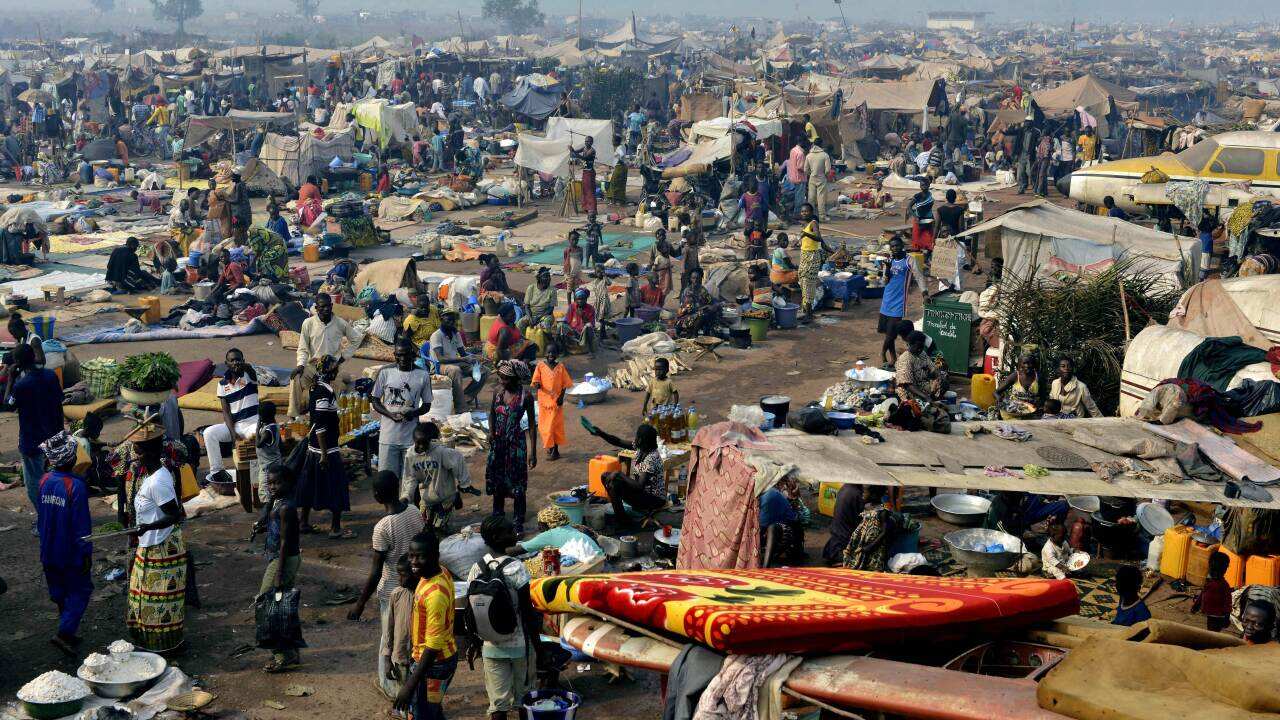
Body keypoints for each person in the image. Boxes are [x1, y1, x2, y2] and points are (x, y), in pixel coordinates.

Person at [349, 469, 426, 695]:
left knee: (389, 639)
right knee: (411, 635)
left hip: (392, 591)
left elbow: (375, 572)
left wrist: (360, 604)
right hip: (416, 586)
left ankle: (390, 687)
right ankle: (413, 682)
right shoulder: (414, 511)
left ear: (376, 496)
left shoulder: (382, 527)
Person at [465, 515, 540, 720]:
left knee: (498, 705)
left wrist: (473, 643)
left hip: (490, 646)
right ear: (498, 537)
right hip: (520, 646)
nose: (514, 533)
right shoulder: (516, 568)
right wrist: (539, 648)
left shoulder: (477, 568)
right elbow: (528, 613)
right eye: (510, 531)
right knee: (525, 700)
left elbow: (471, 611)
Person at [126, 425, 187, 652]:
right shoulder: (152, 475)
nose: (135, 456)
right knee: (143, 599)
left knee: (158, 602)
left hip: (162, 546)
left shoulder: (158, 481)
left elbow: (174, 515)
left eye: (139, 451)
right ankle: (150, 646)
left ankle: (163, 649)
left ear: (151, 452)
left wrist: (147, 527)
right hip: (150, 544)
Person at [35, 432, 93, 656]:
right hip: (70, 553)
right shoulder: (75, 486)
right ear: (72, 458)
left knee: (59, 592)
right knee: (80, 591)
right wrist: (85, 554)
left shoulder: (44, 480)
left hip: (48, 549)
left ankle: (66, 626)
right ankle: (64, 634)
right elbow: (81, 527)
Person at [394, 531, 459, 720]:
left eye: (420, 557)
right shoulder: (439, 571)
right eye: (411, 555)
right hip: (437, 660)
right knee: (432, 712)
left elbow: (432, 647)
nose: (413, 562)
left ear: (435, 556)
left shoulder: (435, 595)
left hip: (434, 664)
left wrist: (409, 686)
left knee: (421, 714)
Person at [296, 355, 353, 539]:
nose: (337, 371)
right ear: (330, 371)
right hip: (326, 448)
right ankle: (335, 528)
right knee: (337, 486)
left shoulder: (318, 387)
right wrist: (324, 454)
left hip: (315, 447)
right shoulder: (323, 391)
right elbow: (320, 424)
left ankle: (303, 522)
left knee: (310, 485)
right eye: (335, 368)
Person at [11, 344, 63, 524]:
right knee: (54, 479)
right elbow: (59, 401)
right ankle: (55, 514)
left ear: (18, 363)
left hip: (32, 441)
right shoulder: (50, 376)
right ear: (34, 356)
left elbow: (8, 404)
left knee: (34, 483)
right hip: (54, 437)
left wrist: (11, 378)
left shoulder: (21, 385)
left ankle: (45, 519)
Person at [258, 464, 302, 673]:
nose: (273, 487)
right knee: (282, 606)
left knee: (269, 605)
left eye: (277, 483)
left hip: (282, 560)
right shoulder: (278, 503)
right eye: (270, 483)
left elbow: (285, 542)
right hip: (280, 558)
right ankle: (290, 651)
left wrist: (278, 574)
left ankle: (281, 656)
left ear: (288, 483)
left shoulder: (286, 508)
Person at [290, 293, 363, 419]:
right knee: (296, 377)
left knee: (336, 391)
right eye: (322, 307)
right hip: (313, 366)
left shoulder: (340, 323)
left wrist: (342, 358)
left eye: (328, 306)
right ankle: (294, 414)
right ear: (316, 308)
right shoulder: (308, 323)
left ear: (332, 306)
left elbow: (356, 339)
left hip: (332, 367)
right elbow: (302, 348)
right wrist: (300, 365)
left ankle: (330, 415)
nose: (326, 309)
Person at [486, 361, 538, 535]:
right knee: (498, 481)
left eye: (506, 378)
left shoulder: (525, 397)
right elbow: (492, 414)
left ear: (516, 379)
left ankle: (517, 522)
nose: (502, 381)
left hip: (516, 445)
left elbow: (532, 425)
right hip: (498, 444)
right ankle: (498, 517)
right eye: (500, 377)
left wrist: (533, 452)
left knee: (518, 484)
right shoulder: (498, 392)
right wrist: (491, 432)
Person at [586, 423, 666, 527]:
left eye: (637, 436)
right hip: (642, 493)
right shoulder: (641, 448)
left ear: (641, 440)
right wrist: (601, 433)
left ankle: (623, 521)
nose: (635, 439)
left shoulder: (651, 458)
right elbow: (617, 441)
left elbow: (640, 486)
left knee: (614, 483)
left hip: (654, 499)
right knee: (606, 476)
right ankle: (622, 517)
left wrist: (619, 474)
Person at [371, 342, 432, 477]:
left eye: (406, 355)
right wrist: (390, 414)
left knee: (411, 479)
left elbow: (427, 405)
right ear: (394, 355)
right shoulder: (385, 372)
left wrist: (413, 414)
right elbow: (375, 400)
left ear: (413, 355)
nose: (403, 359)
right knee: (387, 479)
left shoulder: (423, 375)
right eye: (399, 355)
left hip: (411, 439)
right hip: (388, 438)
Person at [204, 348, 259, 484]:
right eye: (232, 360)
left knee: (254, 440)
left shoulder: (249, 375)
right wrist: (233, 434)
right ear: (226, 363)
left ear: (243, 361)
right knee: (209, 433)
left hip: (252, 423)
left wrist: (245, 366)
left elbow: (251, 370)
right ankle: (217, 472)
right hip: (235, 425)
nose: (235, 362)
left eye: (238, 359)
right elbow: (226, 412)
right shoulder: (222, 384)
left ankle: (254, 480)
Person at [878, 237, 927, 365]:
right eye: (892, 246)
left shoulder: (909, 260)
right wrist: (887, 269)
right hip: (886, 300)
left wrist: (925, 293)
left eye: (897, 245)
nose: (895, 248)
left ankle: (882, 352)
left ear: (902, 246)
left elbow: (919, 276)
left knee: (892, 333)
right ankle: (893, 357)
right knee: (888, 333)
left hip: (899, 302)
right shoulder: (889, 260)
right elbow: (885, 282)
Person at [381, 554, 417, 697]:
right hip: (400, 657)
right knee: (402, 693)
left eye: (403, 575)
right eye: (399, 575)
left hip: (419, 659)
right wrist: (387, 658)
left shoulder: (424, 596)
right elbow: (388, 630)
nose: (399, 579)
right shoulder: (397, 594)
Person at [531, 344, 573, 461]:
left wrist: (561, 398)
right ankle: (551, 447)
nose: (551, 355)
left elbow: (565, 384)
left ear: (557, 354)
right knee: (544, 427)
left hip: (555, 404)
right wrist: (537, 384)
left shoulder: (560, 367)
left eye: (553, 352)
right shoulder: (540, 366)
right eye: (549, 352)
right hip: (544, 403)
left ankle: (555, 451)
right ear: (545, 353)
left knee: (553, 427)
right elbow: (535, 380)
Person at [429, 311, 473, 412]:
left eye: (453, 321)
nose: (451, 323)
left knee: (483, 370)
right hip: (439, 365)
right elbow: (440, 359)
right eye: (448, 320)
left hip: (455, 362)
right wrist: (462, 359)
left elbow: (463, 353)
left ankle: (465, 396)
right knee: (455, 370)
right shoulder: (436, 335)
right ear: (441, 320)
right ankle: (460, 407)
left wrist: (473, 359)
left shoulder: (455, 334)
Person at [797, 203, 833, 320]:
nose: (804, 213)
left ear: (811, 212)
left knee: (808, 283)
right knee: (802, 281)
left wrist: (806, 234)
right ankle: (806, 310)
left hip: (812, 256)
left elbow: (818, 238)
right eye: (802, 211)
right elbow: (821, 242)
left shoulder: (813, 223)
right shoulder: (805, 224)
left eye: (806, 211)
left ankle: (808, 313)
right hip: (804, 256)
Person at [760, 476, 804, 567]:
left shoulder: (768, 496)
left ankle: (765, 565)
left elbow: (762, 526)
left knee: (772, 528)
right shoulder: (773, 494)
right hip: (774, 534)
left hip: (780, 535)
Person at [895, 332, 946, 403]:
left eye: (922, 347)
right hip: (909, 391)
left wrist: (936, 376)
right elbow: (907, 385)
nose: (920, 349)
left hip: (922, 385)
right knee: (919, 405)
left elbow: (932, 368)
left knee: (943, 380)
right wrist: (925, 397)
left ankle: (932, 398)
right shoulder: (905, 360)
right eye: (917, 347)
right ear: (909, 345)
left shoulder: (922, 353)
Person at [822, 484, 864, 566]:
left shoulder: (845, 488)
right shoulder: (856, 493)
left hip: (837, 530)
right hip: (844, 536)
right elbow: (860, 518)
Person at [674, 267, 719, 338]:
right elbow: (689, 309)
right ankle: (694, 334)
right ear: (690, 279)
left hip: (698, 314)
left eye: (698, 278)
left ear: (701, 279)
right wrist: (706, 307)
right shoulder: (688, 291)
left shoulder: (702, 290)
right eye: (693, 278)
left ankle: (707, 334)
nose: (696, 280)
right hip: (685, 317)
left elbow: (710, 300)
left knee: (714, 310)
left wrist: (715, 304)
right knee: (703, 313)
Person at [1194, 551, 1233, 632]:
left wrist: (1227, 617)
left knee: (1213, 632)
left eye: (1217, 570)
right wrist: (1196, 605)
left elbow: (1228, 603)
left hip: (1218, 616)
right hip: (1211, 614)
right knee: (1211, 631)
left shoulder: (1223, 585)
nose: (1213, 572)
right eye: (1212, 569)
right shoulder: (1210, 582)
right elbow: (1203, 593)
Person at [561, 287, 598, 353]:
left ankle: (591, 349)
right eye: (578, 299)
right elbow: (567, 320)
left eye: (582, 299)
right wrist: (568, 327)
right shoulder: (572, 306)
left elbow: (592, 325)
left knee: (589, 326)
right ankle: (564, 350)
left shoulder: (590, 309)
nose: (580, 301)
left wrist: (582, 316)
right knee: (561, 326)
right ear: (576, 299)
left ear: (586, 299)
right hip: (573, 332)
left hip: (584, 333)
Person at [570, 136, 597, 217]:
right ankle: (586, 207)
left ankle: (592, 209)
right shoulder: (584, 148)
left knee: (590, 191)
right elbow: (576, 151)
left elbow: (584, 158)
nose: (587, 143)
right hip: (585, 171)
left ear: (592, 142)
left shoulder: (592, 151)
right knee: (585, 190)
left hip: (590, 172)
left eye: (588, 141)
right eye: (586, 141)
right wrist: (572, 149)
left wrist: (574, 153)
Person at [805, 140, 832, 222]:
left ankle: (809, 216)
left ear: (814, 144)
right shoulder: (825, 155)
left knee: (811, 198)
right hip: (821, 178)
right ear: (821, 144)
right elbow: (828, 170)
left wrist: (811, 174)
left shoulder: (809, 155)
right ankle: (822, 217)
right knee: (821, 198)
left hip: (812, 178)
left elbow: (805, 170)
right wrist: (825, 176)